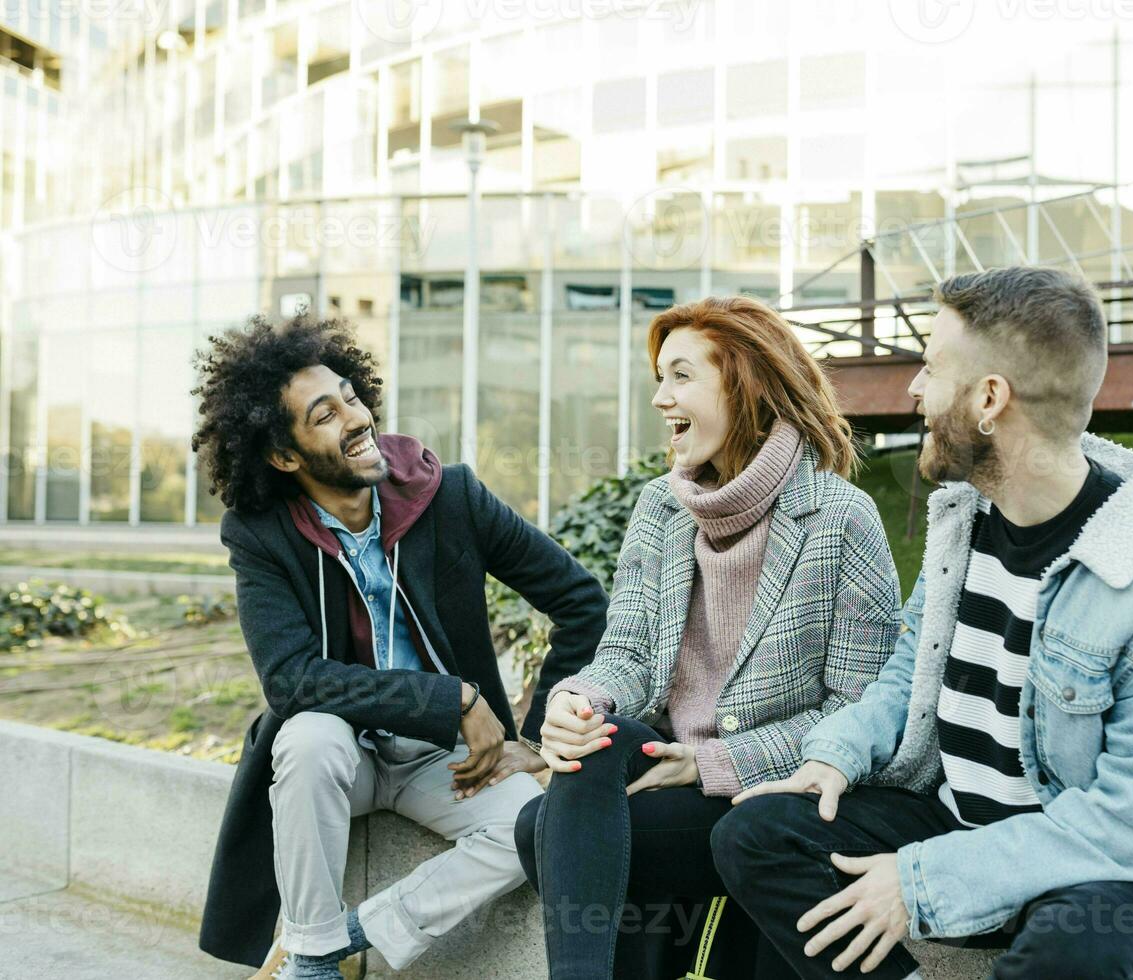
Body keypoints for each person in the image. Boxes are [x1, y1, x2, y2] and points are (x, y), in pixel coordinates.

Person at [713, 267, 1133, 980]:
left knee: (1083, 945)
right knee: (754, 833)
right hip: (956, 821)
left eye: (932, 368)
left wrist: (923, 882)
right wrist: (835, 753)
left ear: (990, 399)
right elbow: (913, 668)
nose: (913, 388)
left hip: (1092, 867)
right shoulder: (967, 518)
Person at [190, 314, 608, 980]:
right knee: (306, 738)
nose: (356, 417)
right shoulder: (260, 534)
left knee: (533, 823)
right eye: (324, 415)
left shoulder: (450, 497)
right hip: (344, 758)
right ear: (285, 456)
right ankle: (312, 967)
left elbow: (582, 604)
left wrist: (535, 737)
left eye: (352, 396)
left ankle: (333, 942)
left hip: (446, 760)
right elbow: (291, 680)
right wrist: (453, 698)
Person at [513, 296, 902, 979]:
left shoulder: (842, 519)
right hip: (663, 757)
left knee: (544, 833)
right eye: (659, 379)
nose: (662, 399)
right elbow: (627, 653)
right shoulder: (661, 507)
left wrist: (714, 765)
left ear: (744, 381)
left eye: (681, 376)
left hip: (768, 792)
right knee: (586, 750)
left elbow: (859, 709)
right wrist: (577, 701)